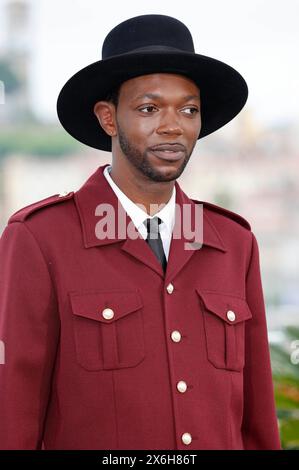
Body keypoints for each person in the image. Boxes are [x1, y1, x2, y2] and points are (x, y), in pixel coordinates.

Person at [0, 14, 281, 450]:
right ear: (108, 118)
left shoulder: (234, 243)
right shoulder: (39, 238)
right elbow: (12, 413)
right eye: (149, 108)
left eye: (189, 109)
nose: (173, 126)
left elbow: (258, 422)